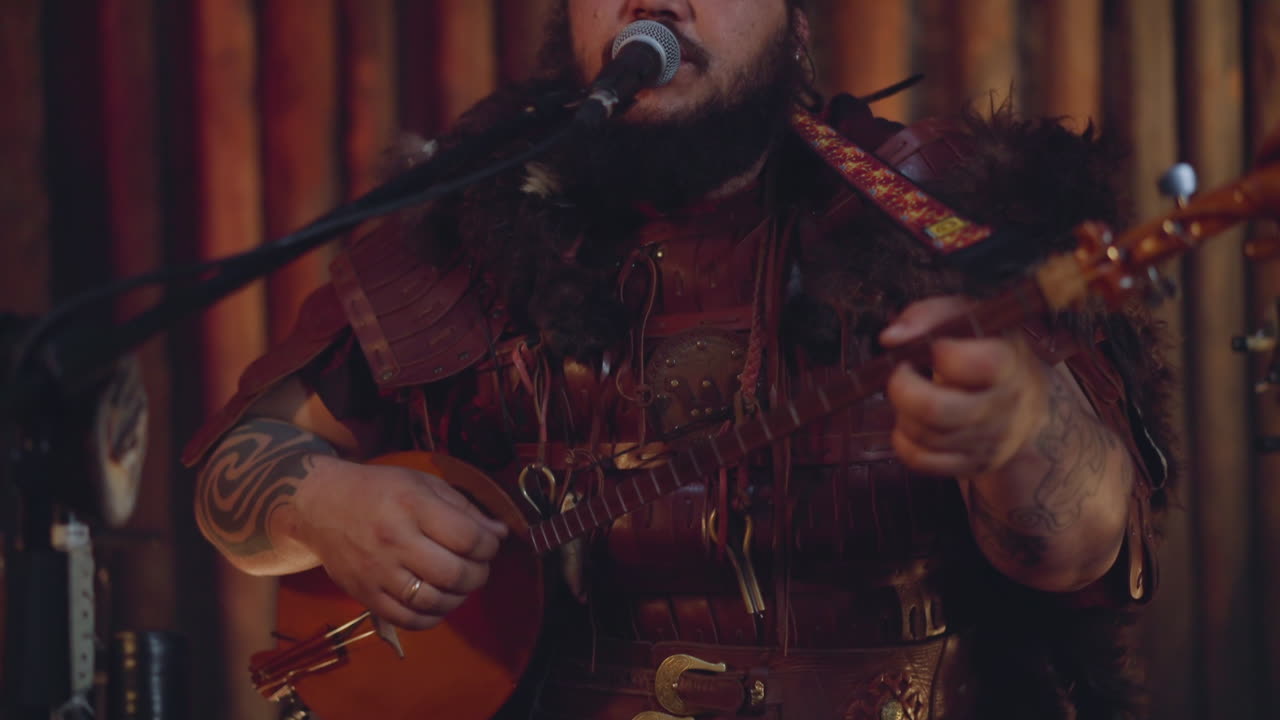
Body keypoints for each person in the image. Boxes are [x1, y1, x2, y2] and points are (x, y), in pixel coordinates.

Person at [181, 1, 1174, 718]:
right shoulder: (461, 230)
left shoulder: (945, 216)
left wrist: (1015, 425)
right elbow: (233, 470)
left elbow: (1079, 551)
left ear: (792, 22)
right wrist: (322, 504)